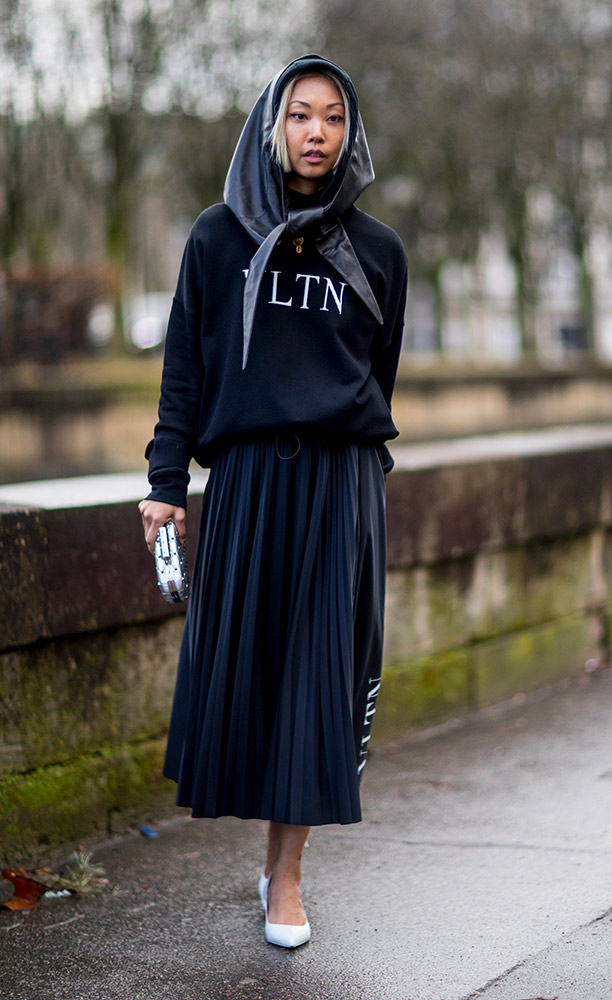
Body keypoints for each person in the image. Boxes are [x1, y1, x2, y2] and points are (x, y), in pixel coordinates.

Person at [139, 54, 407, 949]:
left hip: (339, 485)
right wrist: (165, 484)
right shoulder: (217, 237)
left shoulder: (379, 252)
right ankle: (263, 859)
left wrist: (360, 477)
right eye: (300, 114)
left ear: (350, 132)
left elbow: (377, 378)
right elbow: (187, 366)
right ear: (272, 126)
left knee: (315, 681)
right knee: (249, 674)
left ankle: (285, 876)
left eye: (333, 116)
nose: (317, 133)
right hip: (250, 483)